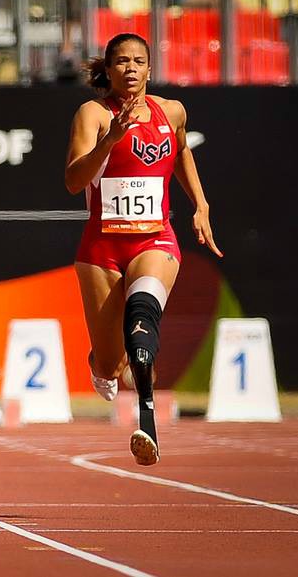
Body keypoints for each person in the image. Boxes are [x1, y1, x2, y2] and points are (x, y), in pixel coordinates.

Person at [65, 33, 222, 466]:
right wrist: (109, 141)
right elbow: (74, 181)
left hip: (155, 239)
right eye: (121, 61)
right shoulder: (94, 114)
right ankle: (103, 362)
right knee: (109, 365)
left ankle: (146, 417)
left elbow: (182, 151)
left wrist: (201, 204)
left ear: (150, 69)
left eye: (138, 61)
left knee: (142, 314)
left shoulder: (171, 111)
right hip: (101, 248)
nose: (130, 68)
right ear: (108, 69)